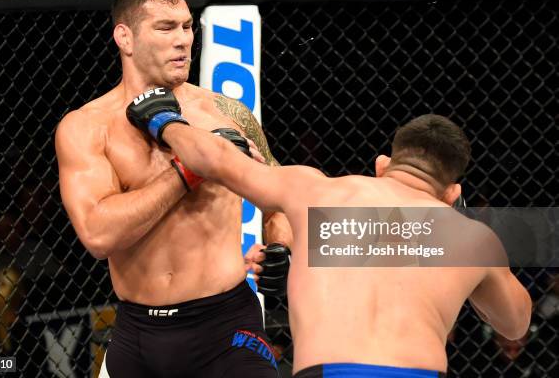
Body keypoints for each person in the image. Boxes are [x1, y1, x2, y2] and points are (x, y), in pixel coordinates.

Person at [141, 101, 532, 377]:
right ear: (452, 192)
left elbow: (219, 160)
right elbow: (515, 324)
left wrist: (163, 120)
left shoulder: (317, 192)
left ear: (383, 165)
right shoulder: (471, 238)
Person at [55, 0, 292, 377]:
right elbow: (98, 234)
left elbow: (278, 200)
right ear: (124, 37)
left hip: (227, 326)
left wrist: (281, 248)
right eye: (165, 28)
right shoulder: (87, 126)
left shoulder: (227, 114)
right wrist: (190, 169)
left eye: (186, 26)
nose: (182, 39)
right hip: (137, 333)